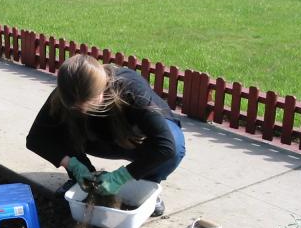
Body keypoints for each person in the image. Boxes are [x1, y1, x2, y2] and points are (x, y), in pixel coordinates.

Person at [26, 54, 186, 216]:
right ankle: (83, 180)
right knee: (62, 125)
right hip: (99, 140)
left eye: (89, 104)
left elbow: (166, 147)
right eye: (77, 108)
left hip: (135, 140)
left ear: (101, 89)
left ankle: (146, 188)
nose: (83, 111)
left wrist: (121, 177)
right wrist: (73, 165)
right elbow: (35, 139)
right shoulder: (65, 92)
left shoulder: (131, 90)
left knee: (175, 147)